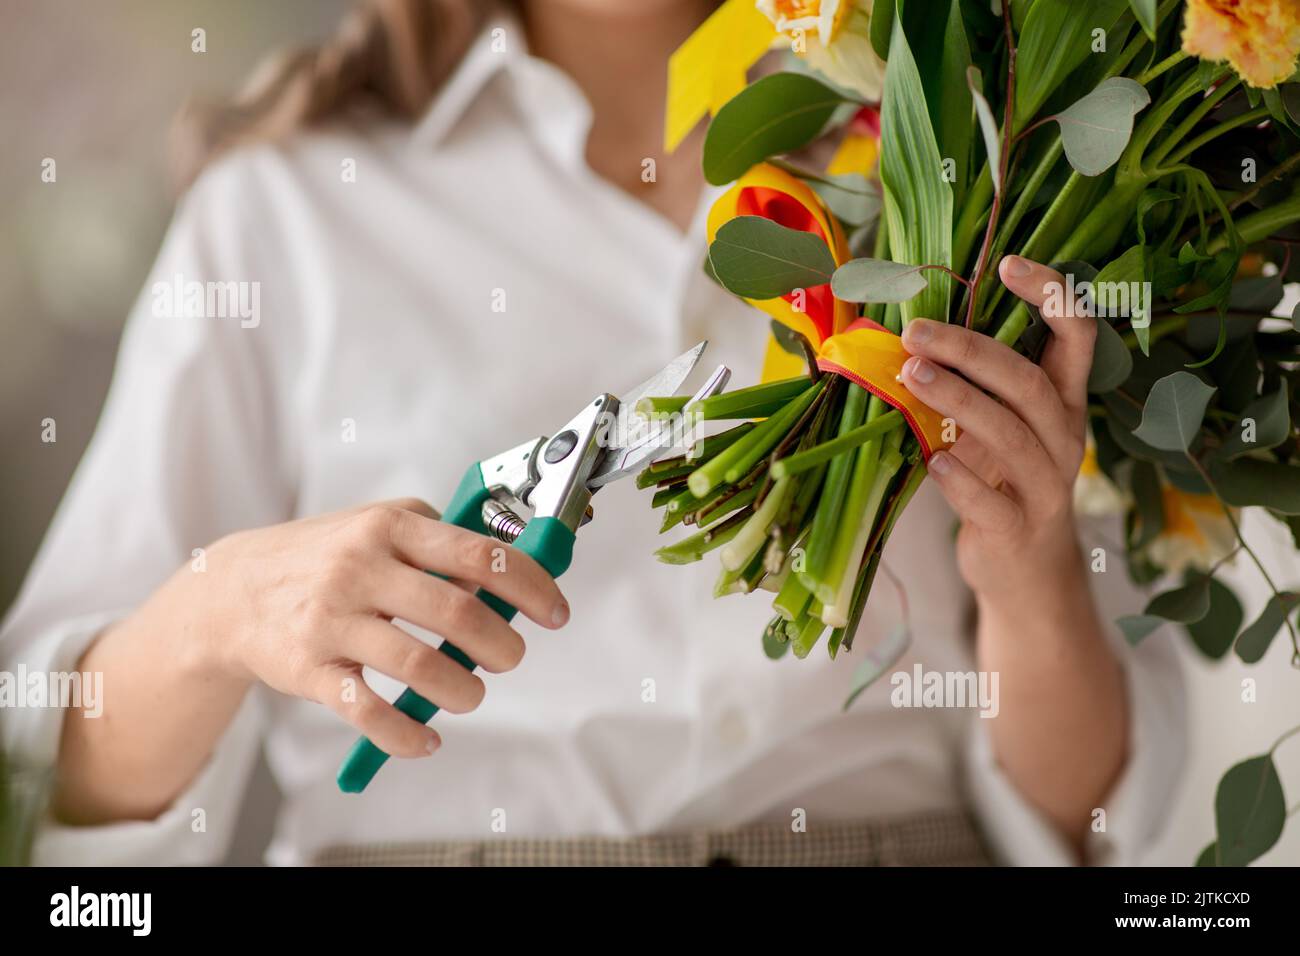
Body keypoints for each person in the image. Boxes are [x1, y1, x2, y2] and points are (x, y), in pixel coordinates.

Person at [0, 0, 1183, 866]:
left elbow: (1087, 828)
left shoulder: (986, 172)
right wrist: (221, 607)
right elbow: (50, 794)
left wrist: (1031, 576)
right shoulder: (281, 214)